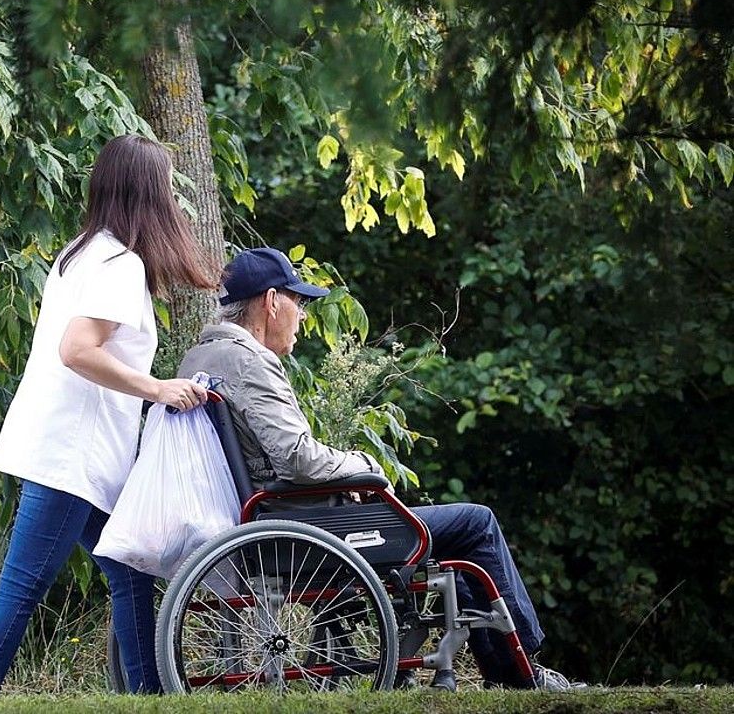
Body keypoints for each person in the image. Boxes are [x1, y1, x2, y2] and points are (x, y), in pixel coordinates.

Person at [176, 245, 585, 691]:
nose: (304, 317)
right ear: (272, 302)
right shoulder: (251, 361)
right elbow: (298, 457)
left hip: (264, 520)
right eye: (300, 303)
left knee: (451, 541)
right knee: (475, 523)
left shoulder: (199, 359)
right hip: (297, 527)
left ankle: (507, 670)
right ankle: (523, 668)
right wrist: (363, 466)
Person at [0, 135, 219, 696]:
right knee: (24, 587)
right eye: (167, 188)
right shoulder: (118, 264)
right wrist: (157, 389)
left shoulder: (83, 252)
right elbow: (77, 350)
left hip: (80, 453)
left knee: (130, 573)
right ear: (147, 192)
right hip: (72, 458)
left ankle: (149, 698)